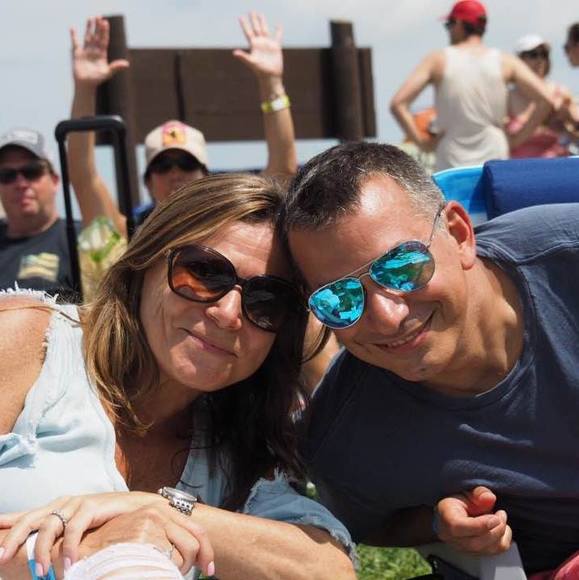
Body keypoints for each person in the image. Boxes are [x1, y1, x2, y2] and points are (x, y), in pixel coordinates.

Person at [0, 173, 356, 579]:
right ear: (146, 261)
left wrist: (162, 509)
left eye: (267, 300)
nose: (228, 314)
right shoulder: (28, 342)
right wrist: (87, 550)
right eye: (204, 272)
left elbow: (330, 570)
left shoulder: (239, 445)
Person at [280, 140, 579, 576]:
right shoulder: (343, 437)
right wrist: (439, 523)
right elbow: (367, 524)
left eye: (402, 266)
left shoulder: (569, 258)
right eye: (340, 298)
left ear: (459, 234)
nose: (387, 317)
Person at [69, 13, 297, 233]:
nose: (175, 174)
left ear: (205, 176)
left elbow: (282, 171)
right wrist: (85, 89)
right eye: (162, 166)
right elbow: (84, 179)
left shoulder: (234, 223)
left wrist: (271, 82)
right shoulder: (130, 232)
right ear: (148, 183)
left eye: (187, 163)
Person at [390, 0, 557, 170]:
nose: (449, 30)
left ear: (459, 23)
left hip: (452, 156)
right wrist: (517, 139)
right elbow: (546, 100)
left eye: (449, 24)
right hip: (494, 154)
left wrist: (422, 143)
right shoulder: (505, 61)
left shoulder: (438, 60)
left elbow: (398, 104)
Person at [0, 129, 77, 295]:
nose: (20, 184)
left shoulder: (82, 239)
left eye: (32, 172)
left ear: (55, 181)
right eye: (7, 175)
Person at [507, 34, 578, 158]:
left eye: (544, 54)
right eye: (533, 54)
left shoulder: (560, 93)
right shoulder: (506, 97)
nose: (540, 59)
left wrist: (566, 124)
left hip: (558, 166)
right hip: (518, 167)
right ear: (518, 61)